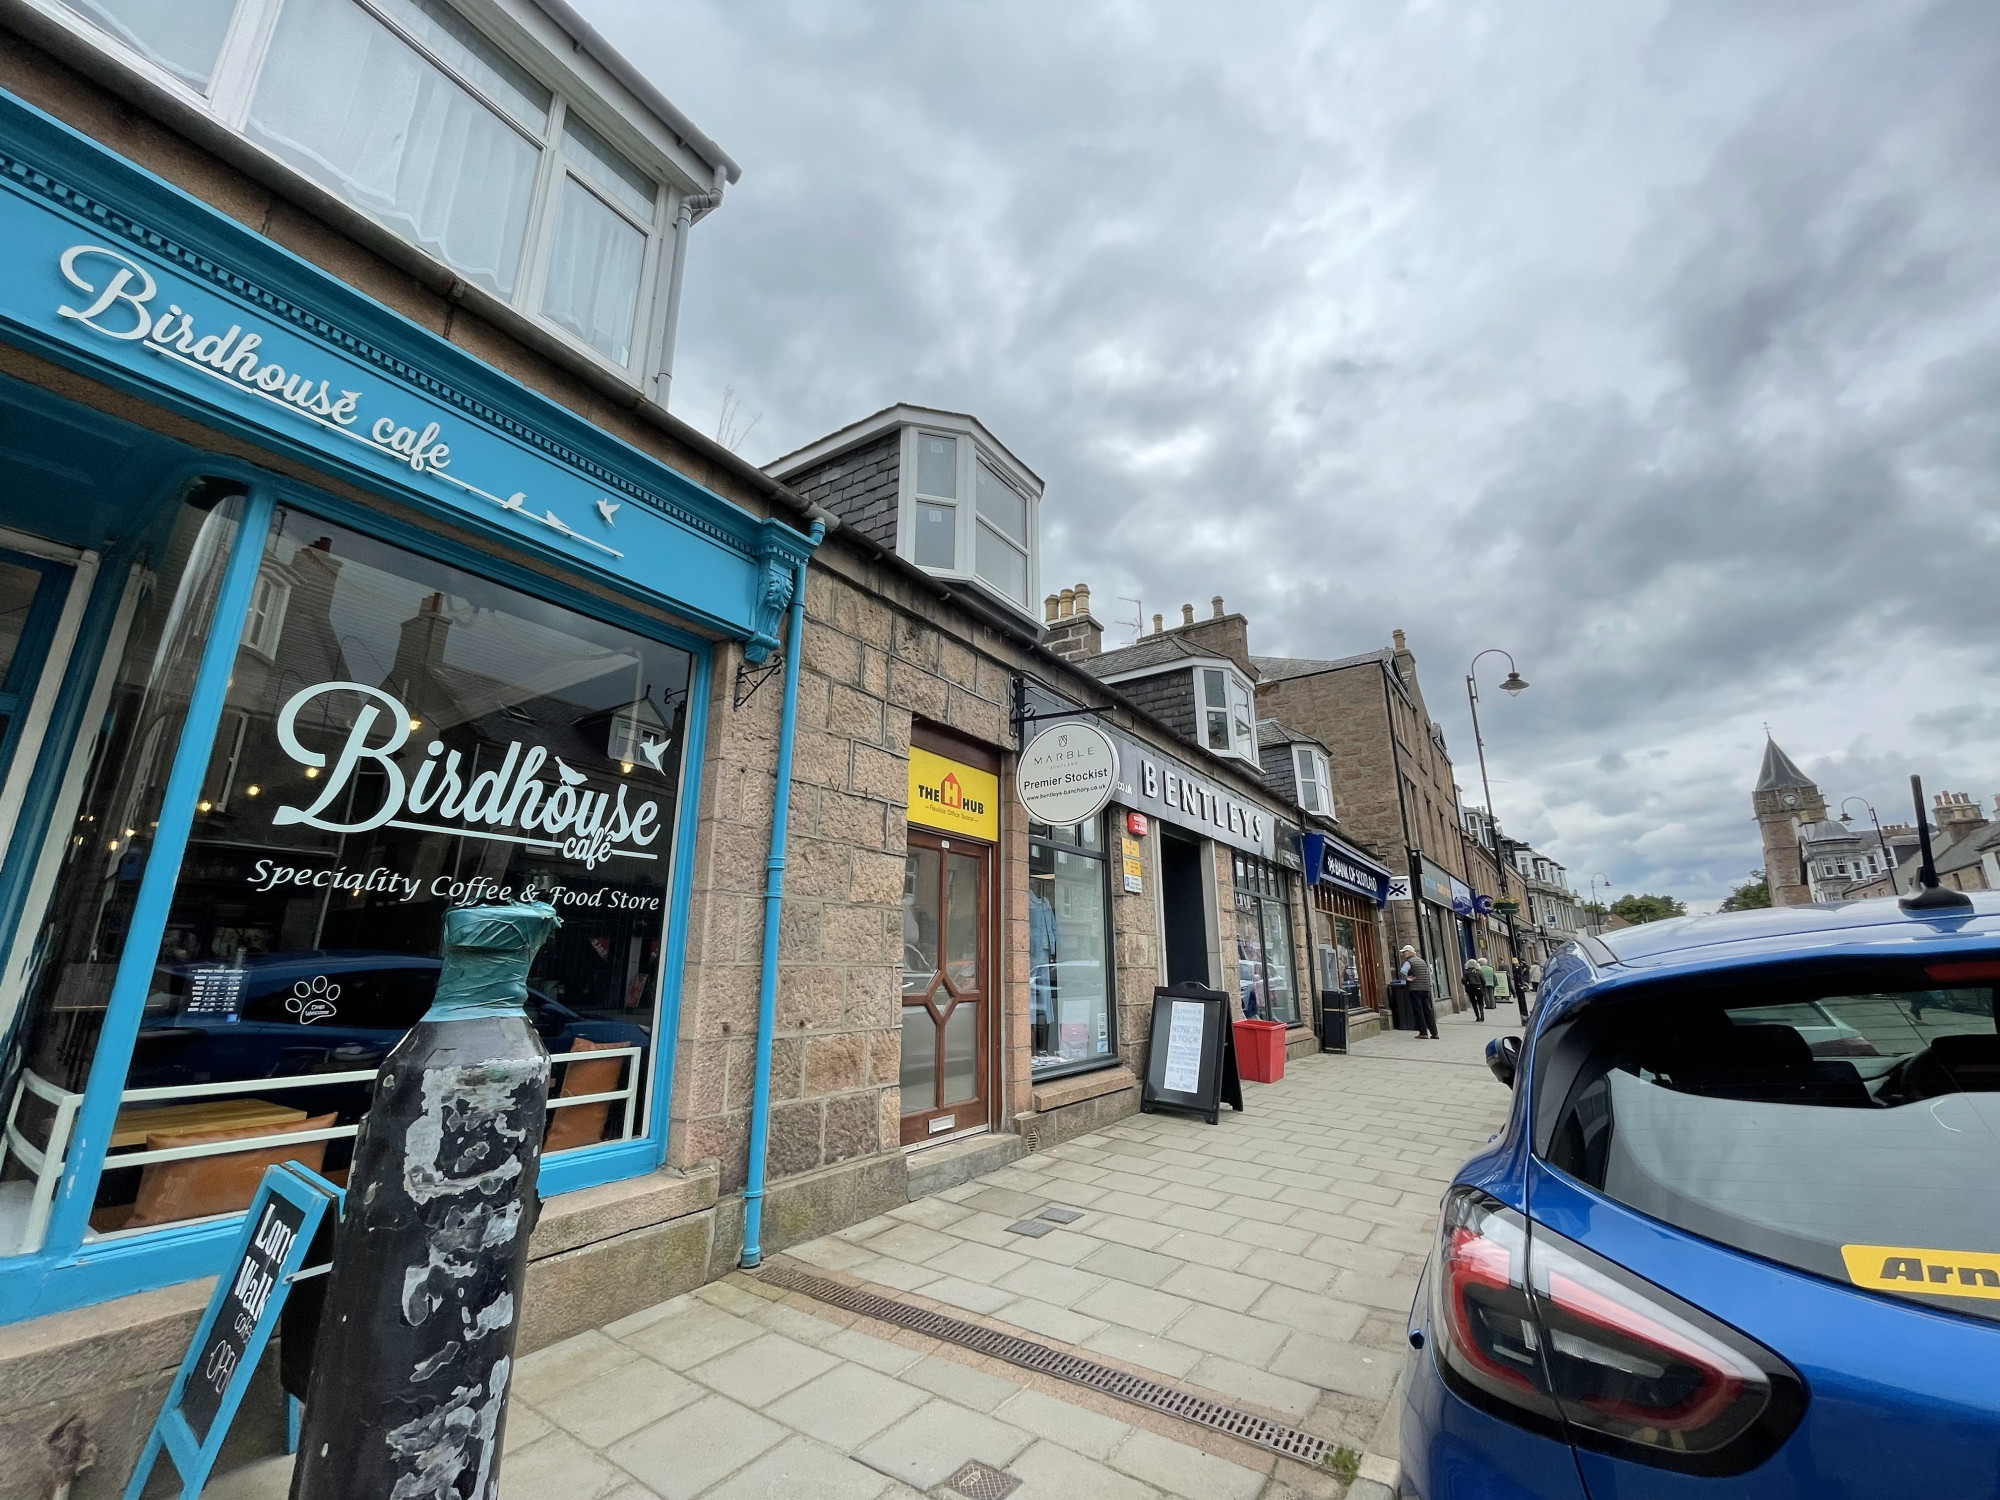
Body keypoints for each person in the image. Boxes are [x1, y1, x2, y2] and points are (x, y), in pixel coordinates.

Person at [1400, 945, 1438, 1039]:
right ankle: (1434, 1032)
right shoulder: (1422, 961)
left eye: (1404, 952)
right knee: (1428, 1010)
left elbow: (1403, 971)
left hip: (1415, 989)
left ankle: (1423, 1033)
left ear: (1409, 952)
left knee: (1418, 1011)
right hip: (1425, 988)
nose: (1403, 954)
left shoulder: (1409, 962)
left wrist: (1407, 978)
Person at [1461, 956, 1487, 1021]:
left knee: (1473, 1003)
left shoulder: (1466, 972)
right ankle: (1482, 1014)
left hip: (1470, 989)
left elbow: (1463, 981)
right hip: (1479, 988)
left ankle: (1477, 1016)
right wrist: (1482, 987)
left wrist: (1466, 985)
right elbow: (1484, 981)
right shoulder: (1479, 971)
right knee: (1480, 1002)